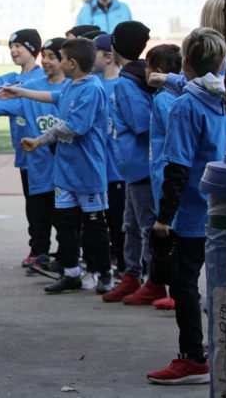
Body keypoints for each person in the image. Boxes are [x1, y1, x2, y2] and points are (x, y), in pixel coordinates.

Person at [146, 27, 226, 385]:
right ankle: (216, 349)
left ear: (185, 62)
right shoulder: (222, 98)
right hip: (220, 206)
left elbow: (177, 167)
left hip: (193, 212)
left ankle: (193, 356)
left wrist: (165, 217)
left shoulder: (186, 106)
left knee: (184, 284)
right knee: (218, 286)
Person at [0, 38, 111, 294]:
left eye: (60, 58)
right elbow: (53, 96)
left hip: (88, 171)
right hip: (66, 171)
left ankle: (104, 272)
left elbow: (72, 126)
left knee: (94, 225)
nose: (57, 63)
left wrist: (39, 140)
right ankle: (70, 272)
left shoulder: (92, 89)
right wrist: (22, 91)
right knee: (65, 222)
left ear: (72, 63)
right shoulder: (73, 85)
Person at [0, 38, 67, 277]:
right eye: (47, 56)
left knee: (66, 218)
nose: (48, 61)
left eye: (54, 57)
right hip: (39, 166)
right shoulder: (31, 88)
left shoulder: (75, 88)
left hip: (67, 169)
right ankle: (42, 253)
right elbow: (4, 100)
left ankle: (69, 258)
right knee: (39, 212)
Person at [102, 21, 168, 305]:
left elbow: (142, 124)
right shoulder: (133, 76)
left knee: (145, 225)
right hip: (132, 168)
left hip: (142, 167)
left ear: (115, 46)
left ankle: (155, 280)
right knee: (130, 224)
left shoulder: (128, 83)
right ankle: (132, 274)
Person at [145, 44, 182, 311]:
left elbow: (173, 134)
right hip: (160, 170)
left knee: (169, 230)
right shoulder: (168, 95)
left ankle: (176, 289)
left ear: (157, 71)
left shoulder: (164, 98)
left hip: (164, 172)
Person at [92, 33, 126, 281]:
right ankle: (106, 265)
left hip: (118, 169)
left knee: (120, 222)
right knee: (99, 223)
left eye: (95, 52)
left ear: (109, 56)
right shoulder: (93, 85)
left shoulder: (124, 85)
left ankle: (126, 266)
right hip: (97, 168)